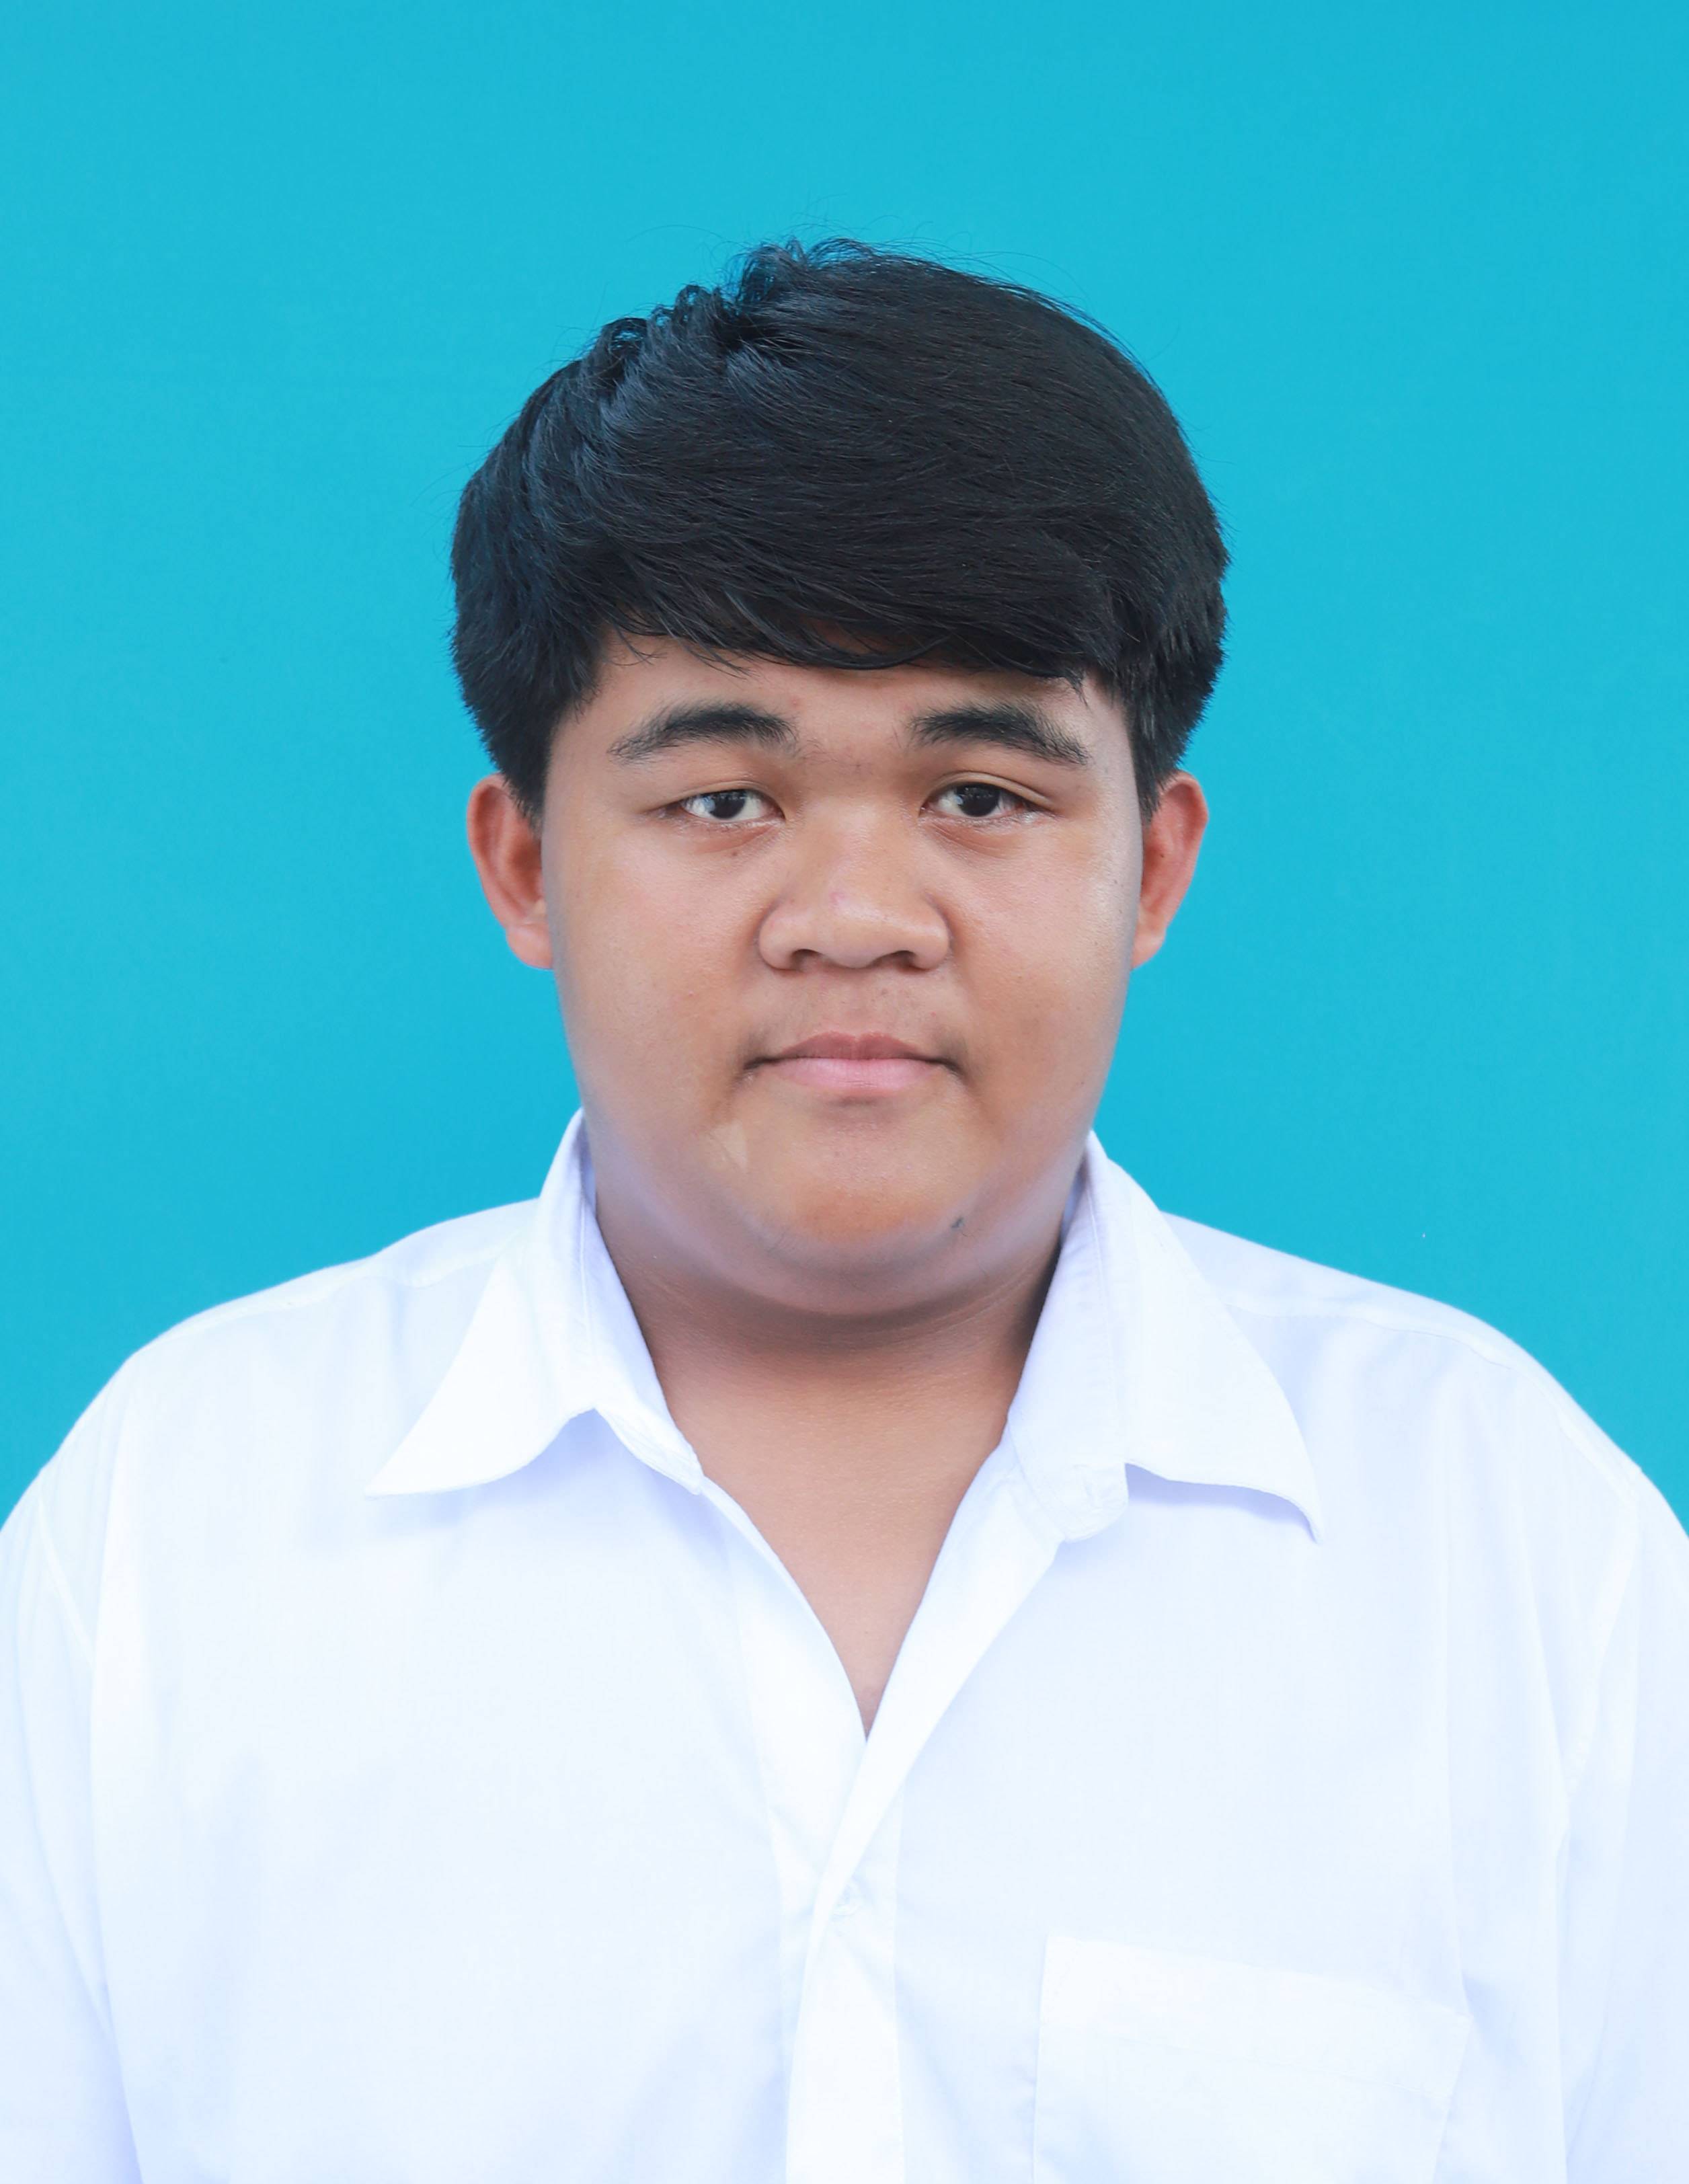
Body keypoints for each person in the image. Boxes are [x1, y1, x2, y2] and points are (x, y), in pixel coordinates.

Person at [1, 240, 1684, 2184]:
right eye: (727, 800)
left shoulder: (1516, 1558)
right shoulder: (171, 1537)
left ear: (1153, 868)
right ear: (526, 866)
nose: (859, 918)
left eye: (982, 796)